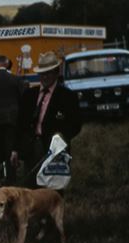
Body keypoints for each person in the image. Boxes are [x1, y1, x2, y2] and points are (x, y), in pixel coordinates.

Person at [11, 52, 81, 185]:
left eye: (48, 73)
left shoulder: (68, 97)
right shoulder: (29, 95)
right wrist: (15, 149)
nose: (45, 76)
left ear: (56, 73)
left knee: (52, 191)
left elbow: (76, 124)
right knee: (30, 190)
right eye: (42, 73)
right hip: (30, 149)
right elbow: (20, 124)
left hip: (55, 153)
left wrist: (60, 139)